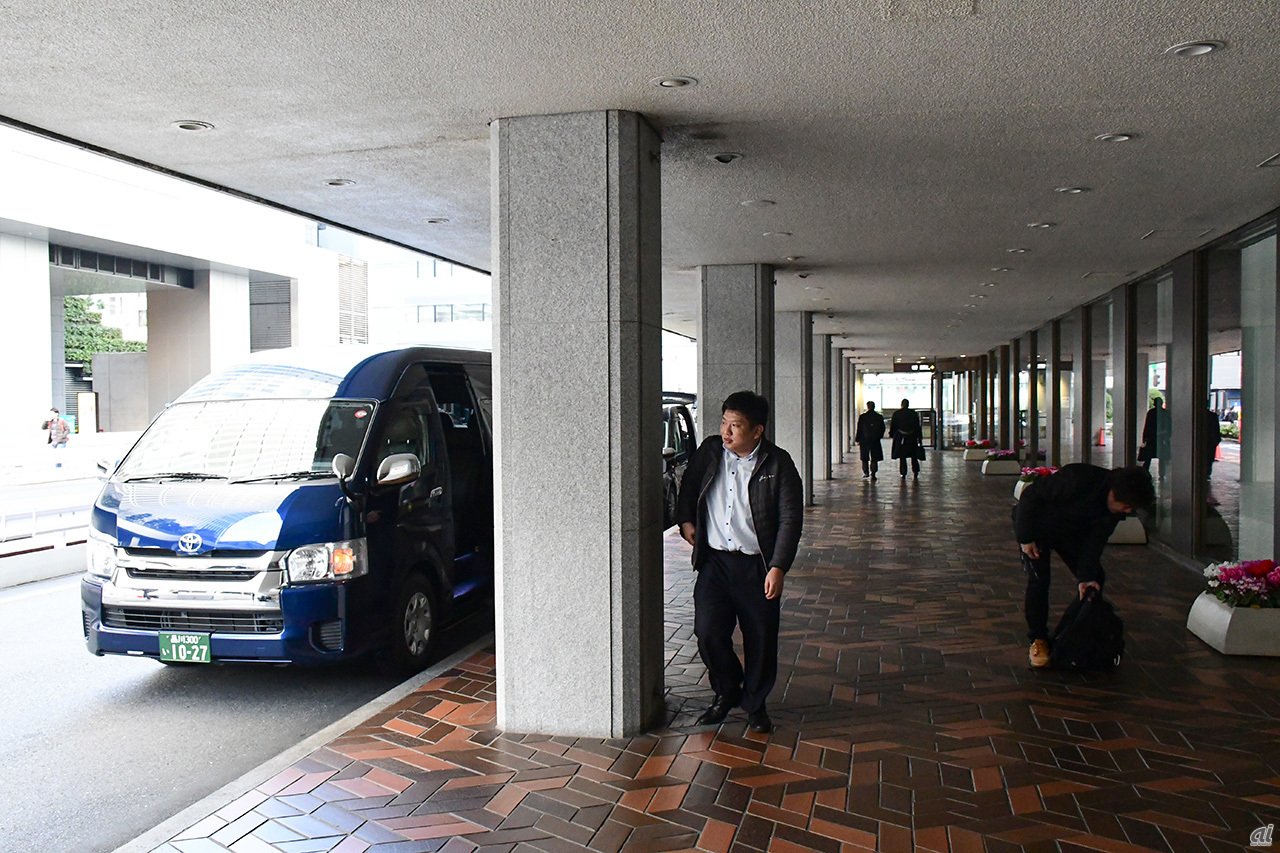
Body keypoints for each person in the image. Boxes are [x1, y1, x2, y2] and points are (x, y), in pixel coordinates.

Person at [676, 390, 803, 734]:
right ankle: (727, 691)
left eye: (736, 425)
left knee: (760, 637)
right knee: (708, 633)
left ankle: (755, 703)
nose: (727, 432)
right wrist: (686, 520)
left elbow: (791, 518)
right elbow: (688, 487)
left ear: (757, 431)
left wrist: (778, 566)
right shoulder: (711, 452)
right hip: (715, 562)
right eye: (724, 422)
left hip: (756, 566)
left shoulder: (778, 464)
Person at [1013, 463, 1155, 668]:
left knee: (1095, 579)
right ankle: (1038, 639)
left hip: (1070, 534)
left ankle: (1077, 631)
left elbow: (1094, 544)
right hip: (1036, 527)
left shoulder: (1115, 510)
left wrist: (1086, 577)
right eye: (1127, 506)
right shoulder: (1076, 479)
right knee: (1039, 580)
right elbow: (1030, 497)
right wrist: (1025, 537)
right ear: (1114, 494)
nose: (1129, 511)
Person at [888, 398, 923, 479]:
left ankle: (903, 472)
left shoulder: (897, 414)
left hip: (901, 438)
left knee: (902, 456)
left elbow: (893, 426)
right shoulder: (913, 414)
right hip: (912, 437)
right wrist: (919, 437)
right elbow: (917, 426)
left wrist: (892, 435)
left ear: (901, 405)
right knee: (913, 455)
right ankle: (915, 471)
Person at [854, 401, 886, 479]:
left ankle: (866, 472)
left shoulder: (863, 417)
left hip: (864, 439)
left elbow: (859, 429)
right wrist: (879, 436)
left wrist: (857, 438)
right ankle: (873, 472)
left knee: (864, 457)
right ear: (874, 407)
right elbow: (882, 428)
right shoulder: (879, 417)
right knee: (874, 456)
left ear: (867, 406)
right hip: (875, 439)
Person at [1137, 397, 1168, 473]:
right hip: (1161, 438)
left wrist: (1144, 438)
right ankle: (1162, 474)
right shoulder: (1166, 413)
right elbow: (1169, 426)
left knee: (1148, 457)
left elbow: (1147, 426)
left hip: (1151, 438)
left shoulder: (1151, 413)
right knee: (1162, 458)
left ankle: (1145, 472)